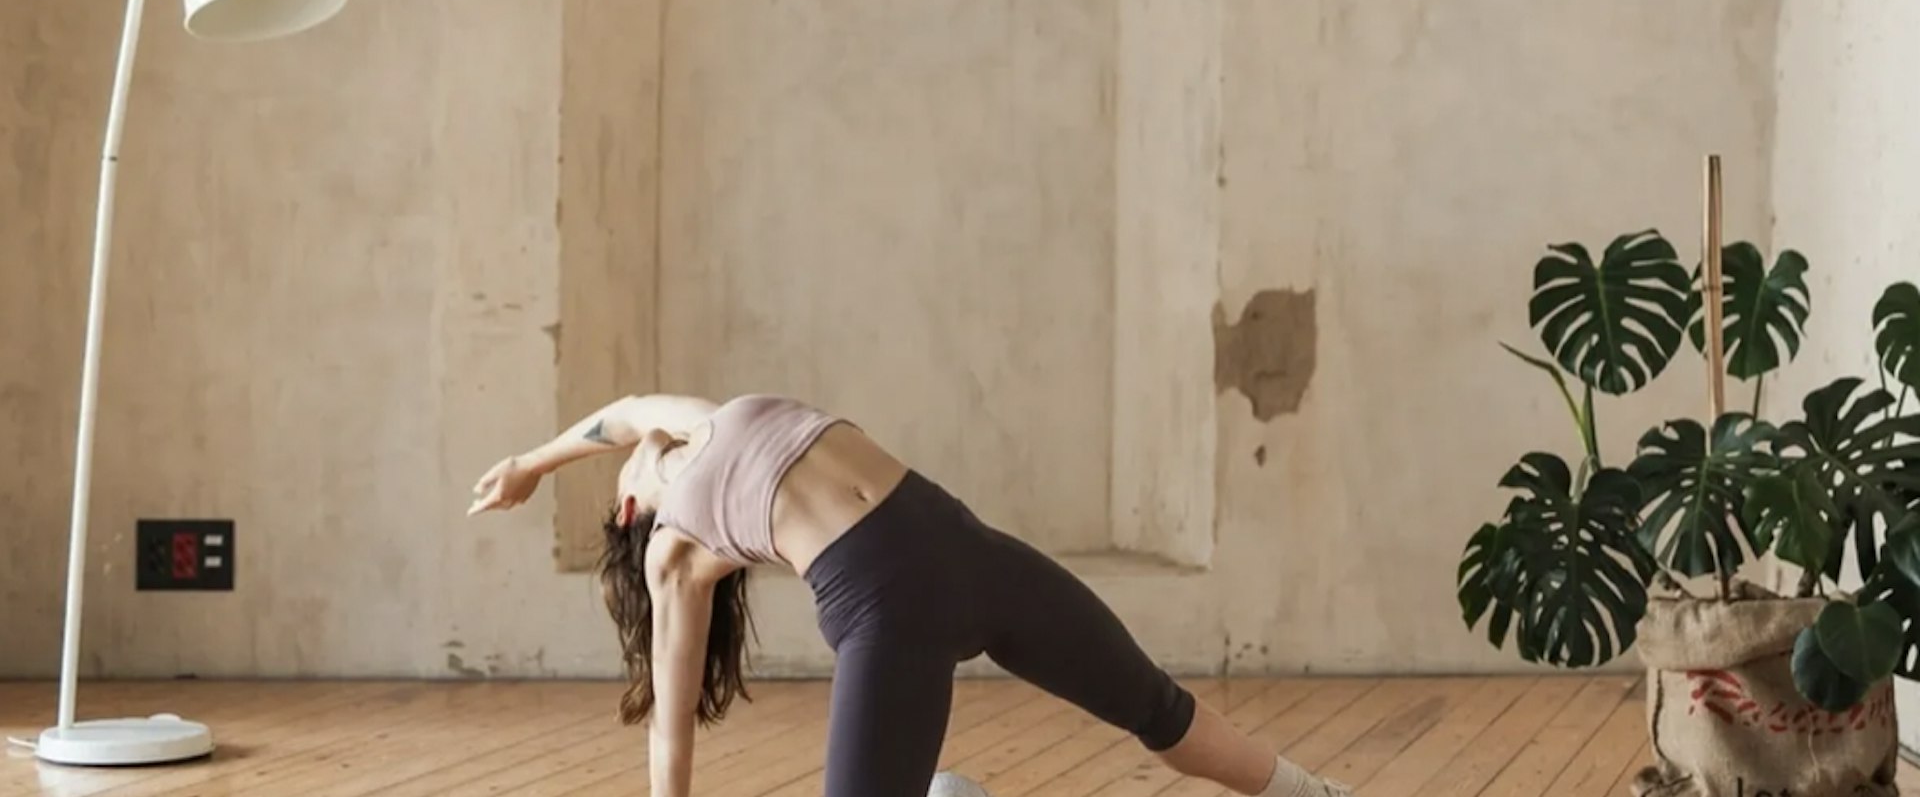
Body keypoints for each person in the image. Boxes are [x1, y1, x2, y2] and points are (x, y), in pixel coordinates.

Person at [469, 392, 1351, 797]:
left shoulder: (696, 424)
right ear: (630, 511)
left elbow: (622, 413)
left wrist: (529, 465)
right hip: (885, 608)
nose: (627, 454)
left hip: (974, 552)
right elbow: (671, 737)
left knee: (1158, 709)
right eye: (620, 476)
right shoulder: (674, 555)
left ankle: (1314, 796)